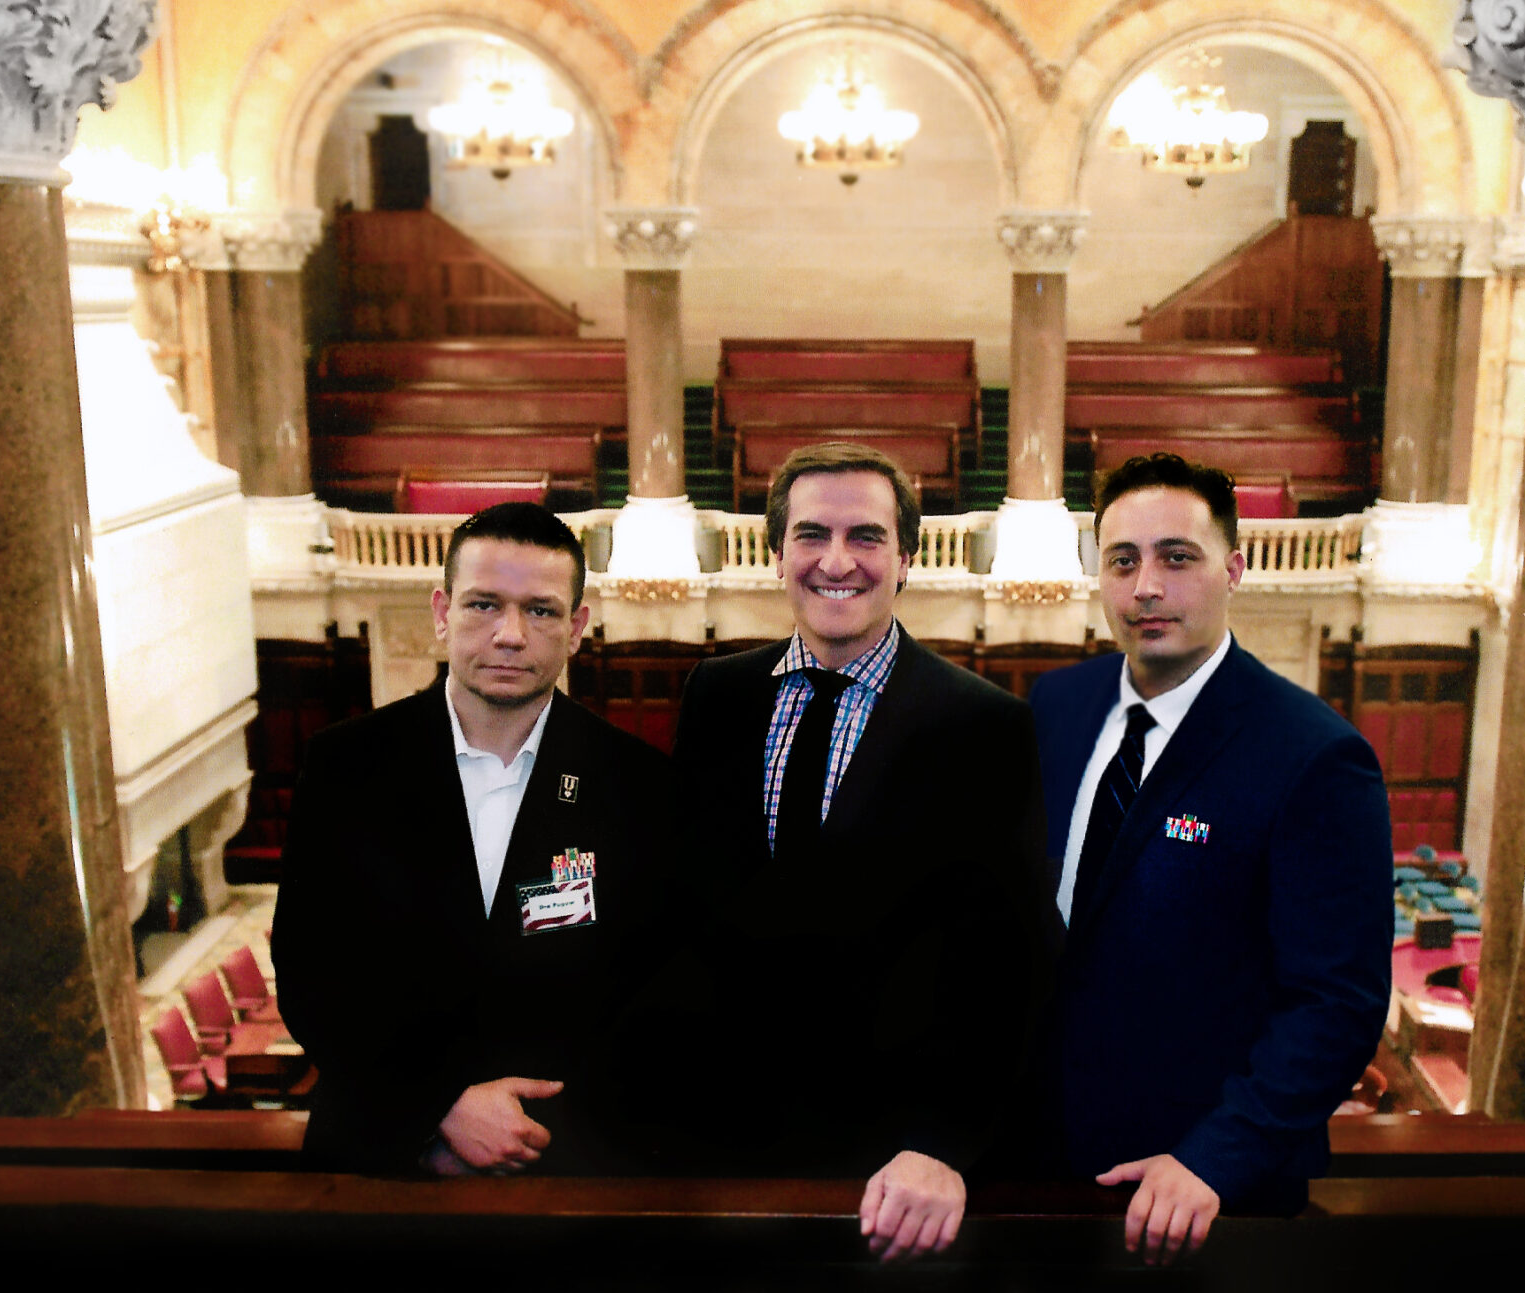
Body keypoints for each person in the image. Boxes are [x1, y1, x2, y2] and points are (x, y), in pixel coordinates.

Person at [615, 442, 1050, 1263]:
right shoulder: (717, 695)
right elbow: (684, 914)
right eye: (812, 534)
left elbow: (1007, 961)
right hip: (718, 1147)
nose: (837, 561)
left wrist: (942, 1140)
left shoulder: (986, 725)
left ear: (907, 560)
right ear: (778, 554)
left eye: (867, 536)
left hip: (893, 1169)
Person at [1026, 453, 1391, 1263]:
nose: (1145, 586)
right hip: (1044, 1170)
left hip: (1203, 1196)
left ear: (1233, 569)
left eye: (1175, 558)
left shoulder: (1315, 755)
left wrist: (1215, 1157)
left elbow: (1337, 1002)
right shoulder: (1057, 705)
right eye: (1122, 560)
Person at [272, 502, 674, 1176]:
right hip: (379, 1157)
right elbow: (312, 968)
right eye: (484, 604)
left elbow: (651, 993)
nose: (510, 634)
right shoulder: (348, 765)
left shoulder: (641, 784)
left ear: (577, 627)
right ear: (441, 612)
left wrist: (527, 1127)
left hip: (564, 1168)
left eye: (541, 610)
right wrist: (438, 1104)